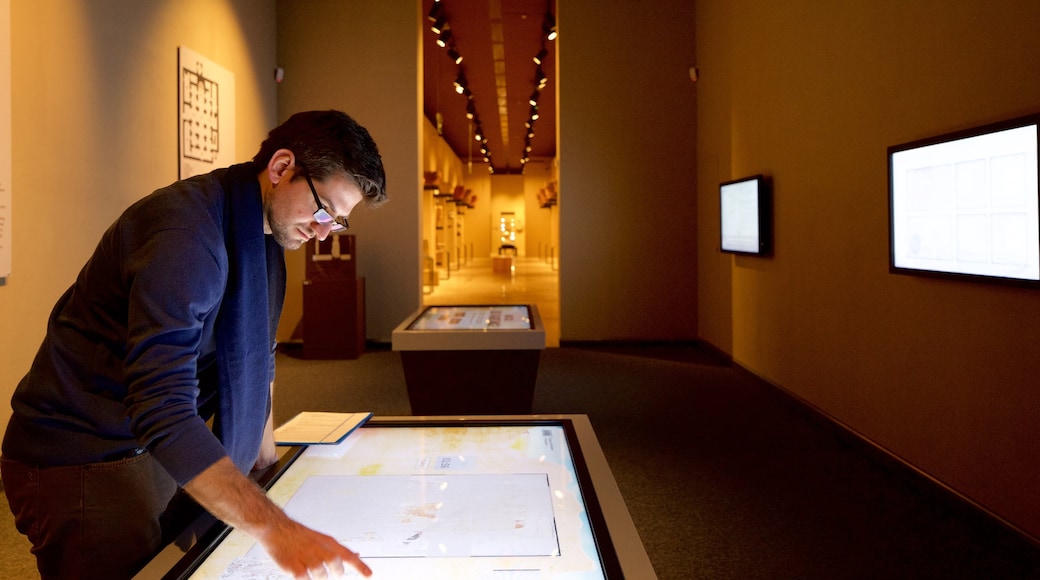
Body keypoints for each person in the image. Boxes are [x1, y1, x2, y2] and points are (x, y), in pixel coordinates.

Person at [1, 109, 387, 579]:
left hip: (139, 443)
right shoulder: (187, 234)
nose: (325, 231)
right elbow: (162, 408)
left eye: (339, 221)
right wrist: (274, 527)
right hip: (80, 452)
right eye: (324, 210)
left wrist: (268, 469)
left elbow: (259, 359)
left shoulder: (263, 233)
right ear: (282, 167)